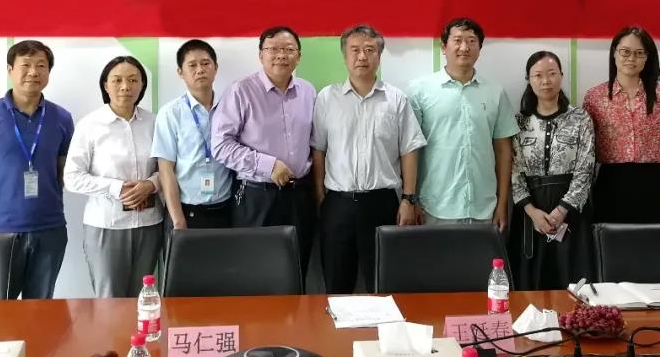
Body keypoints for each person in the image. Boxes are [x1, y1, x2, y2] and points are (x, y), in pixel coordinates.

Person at [312, 25, 427, 294]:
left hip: (382, 203)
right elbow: (318, 150)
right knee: (337, 285)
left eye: (369, 50)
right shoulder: (327, 98)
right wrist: (320, 197)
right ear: (345, 56)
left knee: (384, 285)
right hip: (338, 203)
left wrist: (408, 199)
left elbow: (409, 150)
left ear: (379, 55)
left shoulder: (396, 99)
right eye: (355, 50)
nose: (362, 56)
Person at [0, 40, 74, 299]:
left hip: (49, 228)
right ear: (10, 69)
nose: (33, 72)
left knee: (40, 305)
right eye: (26, 65)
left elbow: (62, 170)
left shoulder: (62, 118)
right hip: (0, 229)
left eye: (41, 66)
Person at [211, 26, 317, 281]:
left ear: (299, 56)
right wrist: (268, 165)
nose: (281, 55)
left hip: (300, 195)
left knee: (297, 268)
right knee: (255, 271)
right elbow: (220, 145)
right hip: (257, 196)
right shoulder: (240, 91)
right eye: (273, 49)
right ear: (261, 55)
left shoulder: (308, 91)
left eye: (288, 49)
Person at [65, 56, 162, 298]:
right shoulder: (90, 125)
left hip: (149, 223)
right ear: (105, 85)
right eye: (117, 80)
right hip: (106, 226)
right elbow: (72, 177)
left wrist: (151, 184)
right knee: (110, 300)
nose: (125, 87)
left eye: (133, 80)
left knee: (144, 297)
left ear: (142, 85)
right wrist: (116, 188)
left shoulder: (154, 122)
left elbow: (170, 168)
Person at [407, 18, 518, 229]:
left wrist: (502, 203)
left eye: (471, 41)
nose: (464, 47)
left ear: (479, 49)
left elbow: (503, 151)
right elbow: (410, 150)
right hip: (433, 207)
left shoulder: (495, 92)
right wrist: (410, 199)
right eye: (457, 40)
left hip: (484, 207)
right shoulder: (419, 91)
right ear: (444, 47)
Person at [508, 51, 596, 289]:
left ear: (561, 76)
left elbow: (585, 169)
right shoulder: (519, 122)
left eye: (551, 74)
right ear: (529, 80)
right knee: (530, 283)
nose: (545, 81)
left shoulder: (580, 118)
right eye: (538, 75)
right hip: (530, 211)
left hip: (571, 210)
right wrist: (531, 211)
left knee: (572, 282)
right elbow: (513, 170)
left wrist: (562, 210)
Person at [583, 26, 660, 224]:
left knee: (652, 242)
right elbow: (586, 154)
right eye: (625, 52)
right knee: (610, 242)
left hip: (652, 184)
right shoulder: (595, 97)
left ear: (647, 57)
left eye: (639, 53)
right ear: (614, 53)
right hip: (611, 184)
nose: (631, 59)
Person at [152, 40, 233, 231]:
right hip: (187, 213)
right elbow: (166, 169)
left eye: (205, 63)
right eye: (192, 65)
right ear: (180, 72)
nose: (200, 70)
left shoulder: (230, 108)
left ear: (215, 68)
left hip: (227, 209)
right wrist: (178, 219)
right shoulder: (171, 113)